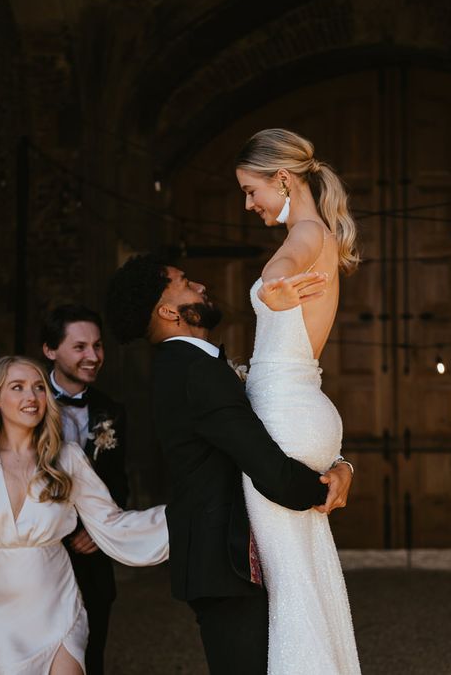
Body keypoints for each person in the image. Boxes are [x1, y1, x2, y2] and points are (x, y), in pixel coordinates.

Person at [104, 254, 353, 675]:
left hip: (222, 562)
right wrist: (325, 487)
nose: (200, 286)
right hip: (226, 564)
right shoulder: (195, 370)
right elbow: (267, 466)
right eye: (184, 282)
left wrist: (340, 463)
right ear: (168, 310)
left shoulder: (186, 367)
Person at [0, 356, 168, 674]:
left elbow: (111, 522)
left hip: (57, 600)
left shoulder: (67, 458)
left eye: (38, 387)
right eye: (17, 387)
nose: (31, 397)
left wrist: (183, 516)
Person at [234, 128, 361, 674]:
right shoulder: (321, 233)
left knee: (291, 590)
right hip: (305, 409)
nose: (248, 204)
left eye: (250, 189)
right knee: (308, 579)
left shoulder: (305, 234)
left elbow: (278, 271)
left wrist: (269, 288)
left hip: (285, 417)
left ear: (281, 178)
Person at [0, 305, 128, 674]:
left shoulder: (107, 414)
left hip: (69, 578)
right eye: (80, 346)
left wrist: (103, 531)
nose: (92, 356)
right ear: (50, 350)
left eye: (97, 346)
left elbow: (116, 491)